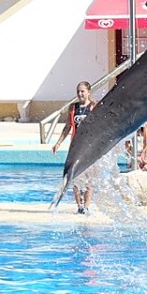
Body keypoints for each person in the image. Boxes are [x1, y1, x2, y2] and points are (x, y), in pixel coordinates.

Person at [51, 80, 97, 213]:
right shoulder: (73, 108)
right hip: (75, 146)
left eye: (82, 91)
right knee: (74, 176)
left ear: (89, 92)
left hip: (89, 146)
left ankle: (87, 205)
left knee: (89, 177)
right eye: (78, 91)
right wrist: (58, 143)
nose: (80, 94)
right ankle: (79, 206)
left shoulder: (94, 106)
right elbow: (68, 127)